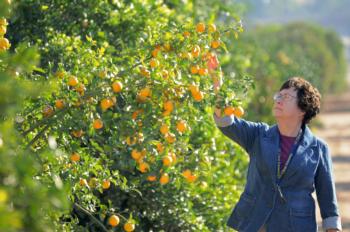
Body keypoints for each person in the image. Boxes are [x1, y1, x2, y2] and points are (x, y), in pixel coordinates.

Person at [208, 55, 342, 232]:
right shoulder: (258, 135)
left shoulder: (318, 149)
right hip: (254, 224)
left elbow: (328, 202)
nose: (278, 99)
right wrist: (218, 83)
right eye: (278, 95)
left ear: (303, 109)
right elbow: (225, 121)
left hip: (296, 226)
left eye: (286, 97)